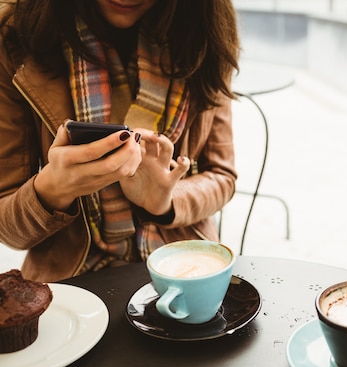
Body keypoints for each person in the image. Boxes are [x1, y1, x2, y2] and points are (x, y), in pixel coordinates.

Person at [0, 0, 239, 282]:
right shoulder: (15, 33)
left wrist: (165, 201)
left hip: (184, 266)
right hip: (70, 282)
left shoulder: (203, 26)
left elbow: (223, 177)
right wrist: (52, 190)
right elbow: (9, 230)